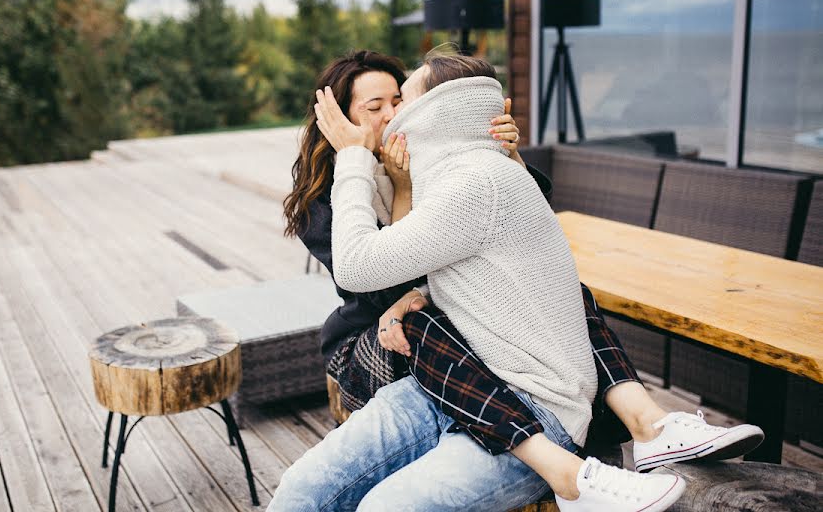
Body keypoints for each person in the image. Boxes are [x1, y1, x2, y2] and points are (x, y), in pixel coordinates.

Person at [273, 50, 763, 511]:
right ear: (341, 121)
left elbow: (503, 235)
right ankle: (634, 427)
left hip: (484, 366)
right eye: (375, 106)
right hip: (387, 348)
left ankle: (637, 427)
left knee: (558, 297)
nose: (393, 115)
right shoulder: (340, 189)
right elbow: (378, 273)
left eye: (401, 101)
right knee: (304, 485)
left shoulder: (460, 176)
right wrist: (364, 168)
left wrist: (504, 154)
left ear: (438, 111)